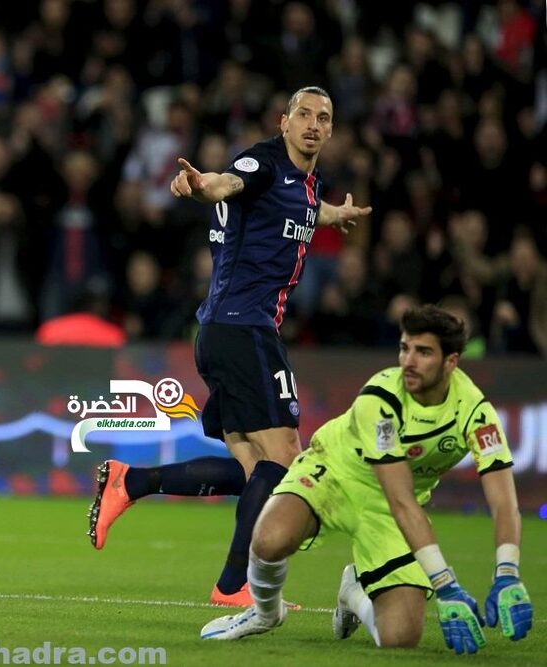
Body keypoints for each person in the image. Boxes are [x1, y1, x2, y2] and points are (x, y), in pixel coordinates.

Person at [88, 86, 372, 607]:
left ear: (331, 131)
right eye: (303, 114)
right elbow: (229, 183)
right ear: (283, 121)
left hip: (224, 330)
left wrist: (334, 215)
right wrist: (202, 186)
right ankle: (233, 585)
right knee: (286, 458)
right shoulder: (262, 163)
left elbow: (303, 211)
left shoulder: (308, 185)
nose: (312, 124)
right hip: (244, 329)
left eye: (323, 118)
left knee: (254, 471)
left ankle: (133, 482)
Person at [200, 305, 533, 654]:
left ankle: (354, 593)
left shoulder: (476, 413)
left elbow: (504, 502)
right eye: (405, 348)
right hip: (336, 473)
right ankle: (266, 613)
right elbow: (401, 498)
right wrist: (445, 584)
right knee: (270, 539)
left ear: (451, 362)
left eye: (423, 352)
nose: (409, 361)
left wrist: (507, 572)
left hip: (389, 508)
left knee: (401, 638)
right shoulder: (382, 398)